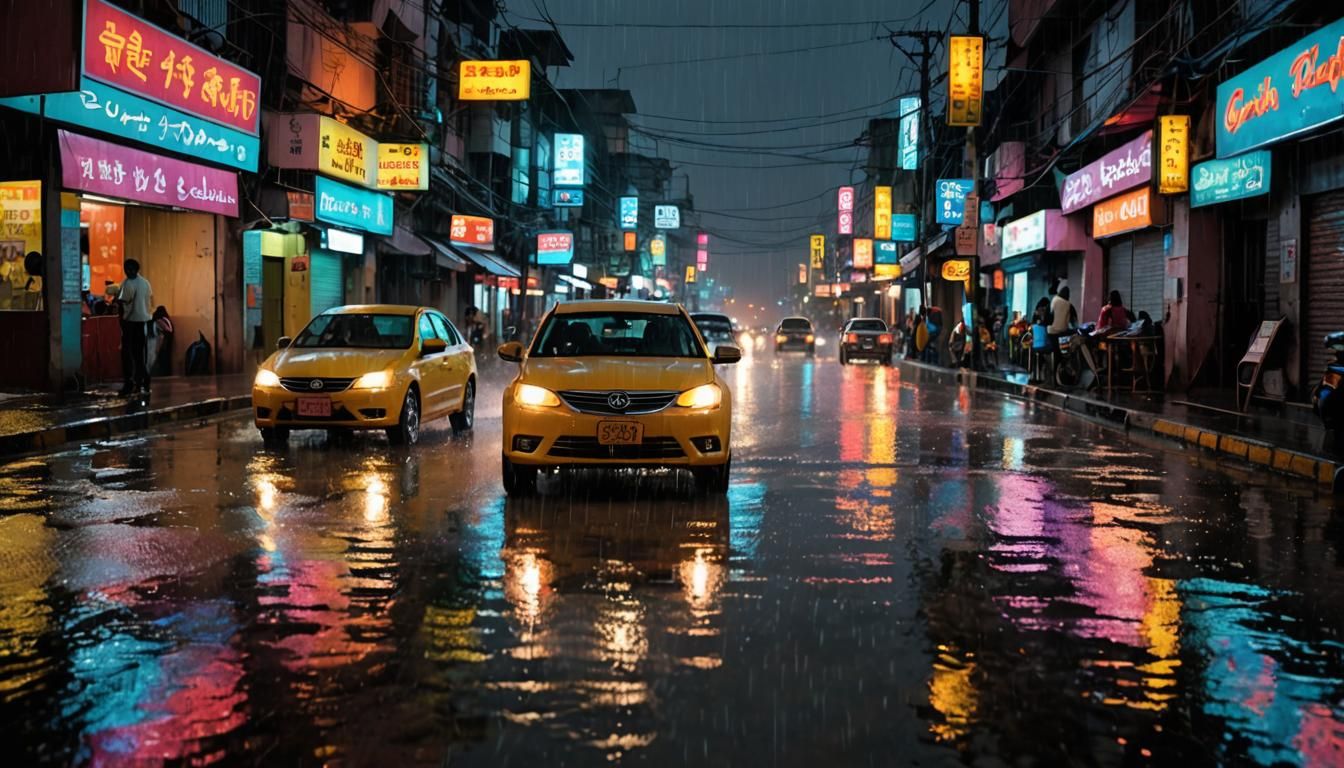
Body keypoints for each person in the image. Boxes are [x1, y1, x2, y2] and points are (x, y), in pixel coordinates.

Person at [117, 258, 153, 395]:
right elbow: (150, 299)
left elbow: (123, 301)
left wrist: (119, 309)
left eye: (129, 269)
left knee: (127, 354)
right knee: (140, 354)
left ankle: (129, 384)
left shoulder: (127, 284)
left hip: (130, 322)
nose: (128, 271)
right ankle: (143, 382)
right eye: (127, 269)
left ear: (135, 269)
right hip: (143, 322)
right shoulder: (145, 283)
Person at [147, 306, 174, 377]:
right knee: (165, 361)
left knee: (159, 362)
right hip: (166, 345)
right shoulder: (167, 320)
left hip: (159, 344)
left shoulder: (158, 320)